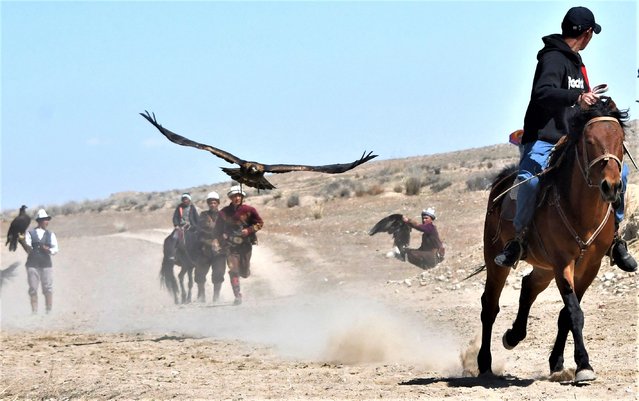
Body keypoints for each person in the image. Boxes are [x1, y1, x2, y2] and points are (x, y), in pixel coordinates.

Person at [494, 6, 637, 272]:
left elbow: (578, 103)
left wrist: (594, 102)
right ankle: (518, 240)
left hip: (570, 141)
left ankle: (615, 238)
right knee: (530, 180)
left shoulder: (577, 62)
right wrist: (576, 97)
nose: (591, 38)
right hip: (544, 139)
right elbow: (543, 93)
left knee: (622, 173)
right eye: (591, 33)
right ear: (585, 33)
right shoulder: (552, 59)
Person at [219, 185, 263, 305]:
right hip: (231, 246)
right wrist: (220, 237)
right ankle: (237, 296)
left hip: (245, 244)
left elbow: (259, 223)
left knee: (244, 272)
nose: (237, 198)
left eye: (239, 196)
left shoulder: (250, 210)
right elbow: (217, 229)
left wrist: (248, 231)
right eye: (234, 196)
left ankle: (245, 271)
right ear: (230, 198)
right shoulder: (223, 213)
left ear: (242, 197)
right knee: (233, 269)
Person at [19, 209, 59, 314]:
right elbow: (28, 247)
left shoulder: (51, 234)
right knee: (33, 288)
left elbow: (55, 250)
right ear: (40, 221)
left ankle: (48, 310)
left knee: (48, 287)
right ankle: (34, 312)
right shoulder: (30, 233)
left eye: (47, 220)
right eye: (45, 220)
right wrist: (23, 243)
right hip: (32, 264)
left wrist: (48, 250)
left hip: (46, 264)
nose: (47, 222)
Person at [195, 191, 227, 303]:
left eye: (215, 202)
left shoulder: (223, 215)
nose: (213, 204)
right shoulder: (203, 215)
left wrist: (219, 240)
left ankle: (216, 297)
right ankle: (201, 295)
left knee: (219, 273)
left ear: (218, 203)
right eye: (211, 202)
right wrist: (211, 241)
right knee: (200, 273)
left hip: (220, 250)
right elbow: (201, 231)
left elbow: (226, 230)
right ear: (208, 204)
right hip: (205, 249)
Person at [169, 193, 199, 257]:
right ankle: (173, 253)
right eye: (184, 199)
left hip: (191, 226)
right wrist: (176, 225)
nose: (185, 200)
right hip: (181, 227)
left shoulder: (192, 207)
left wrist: (198, 226)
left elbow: (197, 217)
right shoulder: (179, 207)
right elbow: (175, 217)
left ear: (189, 200)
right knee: (174, 237)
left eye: (186, 199)